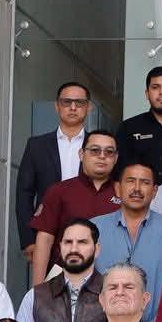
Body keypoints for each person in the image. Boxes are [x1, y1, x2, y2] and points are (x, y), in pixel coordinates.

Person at [27, 130, 121, 281]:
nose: (102, 156)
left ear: (116, 158)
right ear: (81, 154)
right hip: (63, 279)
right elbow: (44, 240)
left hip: (111, 281)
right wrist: (38, 289)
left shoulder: (123, 194)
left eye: (109, 152)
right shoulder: (59, 191)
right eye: (95, 150)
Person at [25, 220, 106, 322]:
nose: (74, 249)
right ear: (60, 247)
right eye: (68, 242)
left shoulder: (112, 295)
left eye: (82, 242)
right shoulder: (36, 296)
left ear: (97, 249)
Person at [92, 160, 162, 296]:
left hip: (157, 311)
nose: (137, 188)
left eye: (145, 182)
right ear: (118, 188)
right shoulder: (95, 228)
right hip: (100, 310)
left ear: (155, 191)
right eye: (131, 181)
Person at [16, 81, 93, 256]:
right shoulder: (37, 145)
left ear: (89, 107)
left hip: (89, 229)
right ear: (57, 106)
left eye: (79, 102)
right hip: (47, 232)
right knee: (48, 275)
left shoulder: (98, 148)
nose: (73, 107)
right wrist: (28, 240)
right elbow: (24, 194)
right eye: (66, 102)